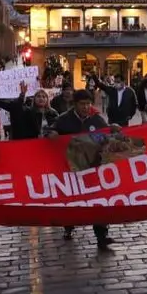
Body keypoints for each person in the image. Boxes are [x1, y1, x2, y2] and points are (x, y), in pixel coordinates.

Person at [51, 89, 115, 249]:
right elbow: (49, 131)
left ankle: (102, 235)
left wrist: (113, 129)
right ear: (75, 104)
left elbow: (107, 137)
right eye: (82, 104)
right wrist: (51, 133)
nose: (86, 107)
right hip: (71, 169)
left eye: (88, 103)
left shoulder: (97, 120)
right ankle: (68, 225)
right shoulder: (64, 120)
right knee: (71, 200)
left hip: (92, 168)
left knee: (98, 201)